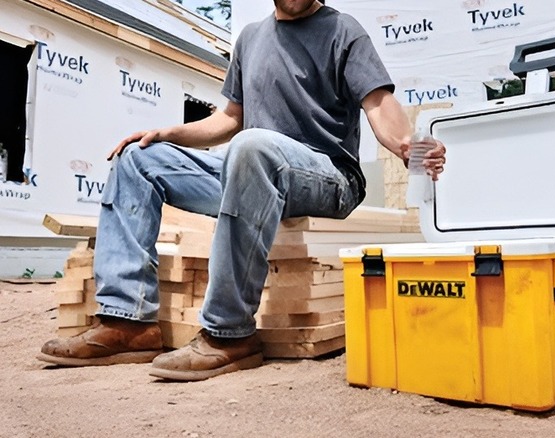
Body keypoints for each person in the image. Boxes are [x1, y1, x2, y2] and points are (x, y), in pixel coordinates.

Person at [36, 0, 446, 381]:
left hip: (329, 177)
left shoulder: (343, 30)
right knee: (139, 160)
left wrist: (406, 143)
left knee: (252, 146)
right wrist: (168, 133)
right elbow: (231, 117)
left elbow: (377, 102)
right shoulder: (250, 38)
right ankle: (128, 323)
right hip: (254, 168)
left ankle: (229, 334)